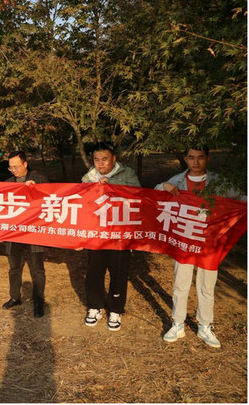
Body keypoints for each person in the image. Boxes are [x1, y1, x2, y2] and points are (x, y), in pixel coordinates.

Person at [156, 145, 245, 348]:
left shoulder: (218, 182)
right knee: (181, 283)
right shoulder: (177, 181)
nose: (195, 162)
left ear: (208, 159)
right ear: (185, 159)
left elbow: (240, 198)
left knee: (207, 285)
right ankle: (177, 323)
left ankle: (205, 325)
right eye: (191, 157)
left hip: (209, 242)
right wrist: (163, 186)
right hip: (185, 239)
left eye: (200, 157)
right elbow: (152, 195)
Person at [81, 142, 141, 331]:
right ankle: (94, 306)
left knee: (119, 273)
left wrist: (112, 187)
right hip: (96, 234)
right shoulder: (89, 177)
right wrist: (95, 188)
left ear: (114, 158)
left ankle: (115, 309)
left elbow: (138, 195)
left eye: (105, 159)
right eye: (96, 159)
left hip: (119, 234)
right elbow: (81, 202)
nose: (100, 163)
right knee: (94, 272)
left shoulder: (127, 174)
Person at [2, 150, 49, 316]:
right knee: (14, 268)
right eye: (11, 167)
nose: (14, 170)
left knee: (37, 270)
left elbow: (51, 199)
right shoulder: (7, 183)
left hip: (34, 232)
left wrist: (37, 190)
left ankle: (38, 301)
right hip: (14, 233)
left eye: (16, 166)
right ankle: (15, 297)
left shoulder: (39, 179)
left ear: (25, 164)